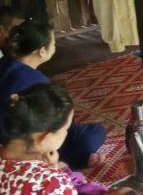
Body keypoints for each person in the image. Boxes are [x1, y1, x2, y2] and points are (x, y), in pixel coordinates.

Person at [0, 20, 107, 169]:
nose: (55, 47)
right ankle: (69, 162)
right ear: (42, 51)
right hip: (28, 141)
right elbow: (53, 122)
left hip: (13, 140)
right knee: (95, 132)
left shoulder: (5, 63)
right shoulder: (36, 82)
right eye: (54, 44)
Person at [0, 83, 133, 194]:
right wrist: (53, 171)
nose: (66, 134)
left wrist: (51, 168)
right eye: (65, 129)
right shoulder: (52, 183)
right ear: (45, 137)